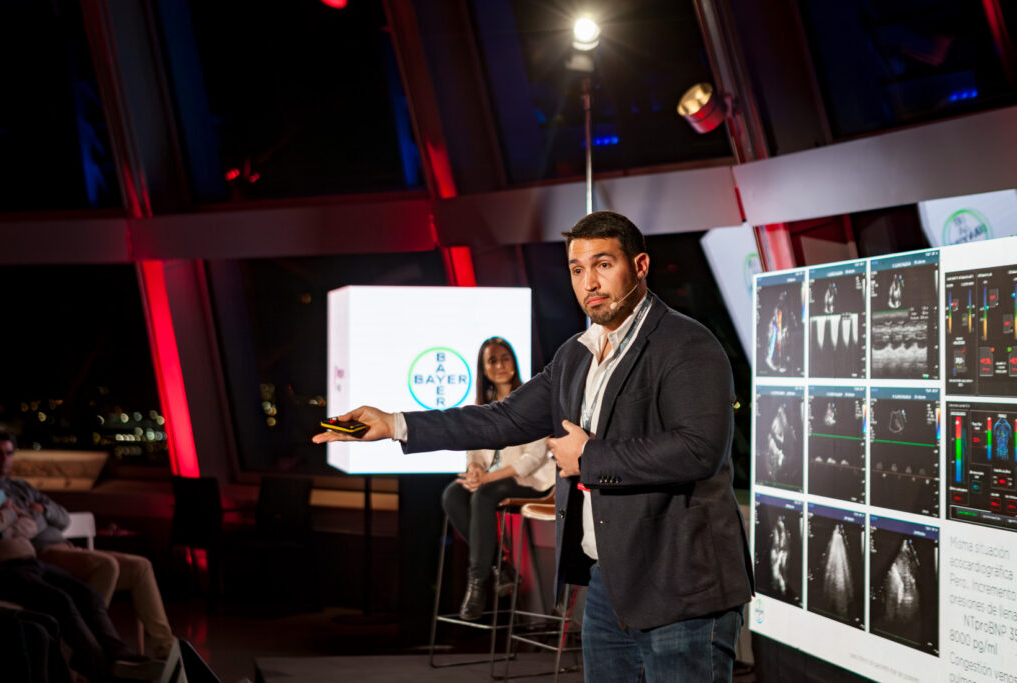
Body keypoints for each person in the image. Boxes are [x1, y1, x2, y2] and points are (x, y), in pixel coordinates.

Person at [314, 210, 753, 682]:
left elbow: (698, 450)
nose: (590, 282)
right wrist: (397, 424)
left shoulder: (687, 344)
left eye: (603, 264)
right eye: (578, 269)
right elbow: (502, 418)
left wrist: (588, 458)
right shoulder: (576, 354)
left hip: (681, 584)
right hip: (608, 581)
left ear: (640, 265)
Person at [0, 430, 177, 660]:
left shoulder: (24, 488)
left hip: (66, 547)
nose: (4, 459)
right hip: (41, 553)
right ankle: (94, 644)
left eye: (9, 453)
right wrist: (31, 516)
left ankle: (167, 648)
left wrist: (43, 511)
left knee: (140, 566)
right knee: (106, 566)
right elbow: (17, 530)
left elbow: (63, 517)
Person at [0, 483, 164, 681]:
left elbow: (30, 523)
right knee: (60, 601)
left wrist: (3, 528)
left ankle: (119, 653)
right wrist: (10, 515)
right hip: (1, 568)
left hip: (30, 561)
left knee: (88, 595)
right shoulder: (4, 502)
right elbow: (13, 520)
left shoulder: (0, 494)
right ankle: (100, 666)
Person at [440, 337, 554, 620]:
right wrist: (475, 470)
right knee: (452, 494)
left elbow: (533, 458)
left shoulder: (532, 401)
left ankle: (477, 583)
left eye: (505, 358)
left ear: (514, 363)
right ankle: (499, 567)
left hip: (533, 481)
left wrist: (487, 480)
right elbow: (474, 451)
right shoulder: (481, 407)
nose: (500, 365)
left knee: (483, 495)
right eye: (492, 360)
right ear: (484, 369)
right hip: (492, 480)